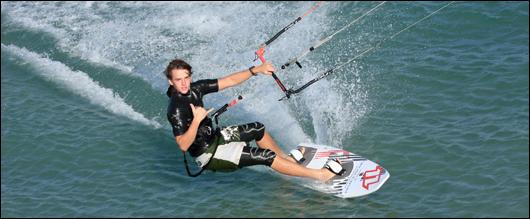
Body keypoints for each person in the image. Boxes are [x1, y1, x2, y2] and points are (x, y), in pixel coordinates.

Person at [165, 58, 344, 182]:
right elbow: (182, 144)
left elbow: (229, 80)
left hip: (215, 138)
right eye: (178, 80)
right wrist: (197, 120)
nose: (184, 83)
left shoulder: (195, 89)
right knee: (265, 156)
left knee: (257, 128)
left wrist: (255, 70)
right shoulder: (176, 109)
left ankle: (287, 162)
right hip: (208, 154)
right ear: (171, 82)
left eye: (186, 77)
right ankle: (321, 175)